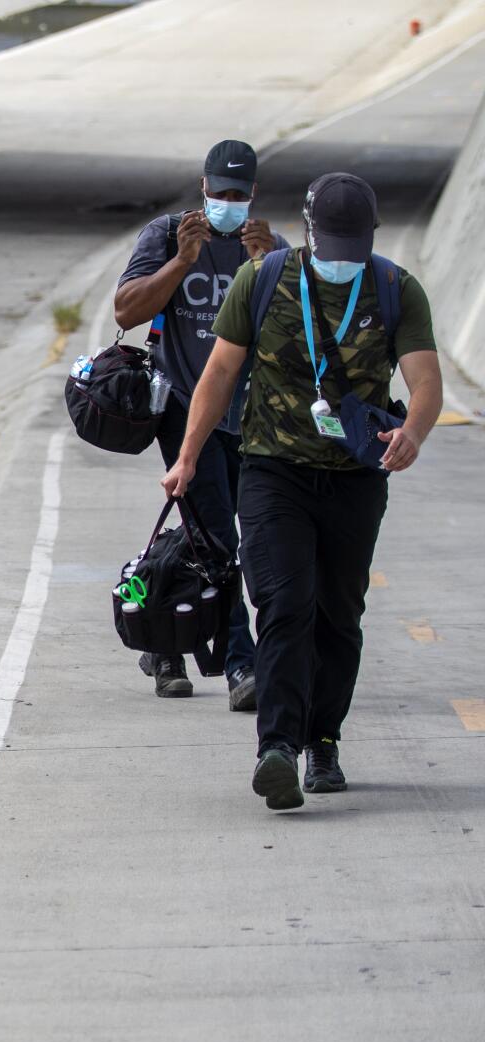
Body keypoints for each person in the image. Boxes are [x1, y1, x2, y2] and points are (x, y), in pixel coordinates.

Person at [162, 172, 442, 810]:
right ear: (309, 233)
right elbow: (221, 372)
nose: (341, 259)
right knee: (285, 605)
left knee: (338, 617)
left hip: (356, 480)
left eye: (353, 247)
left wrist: (415, 434)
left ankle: (323, 739)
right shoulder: (261, 281)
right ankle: (277, 748)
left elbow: (425, 380)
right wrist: (187, 456)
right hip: (272, 471)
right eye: (331, 245)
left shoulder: (397, 289)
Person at [115, 139, 286, 708]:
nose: (229, 203)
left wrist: (265, 268)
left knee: (222, 537)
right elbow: (126, 310)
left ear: (253, 193)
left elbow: (296, 336)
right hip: (186, 411)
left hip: (252, 420)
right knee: (218, 535)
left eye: (240, 194)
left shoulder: (269, 247)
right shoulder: (168, 235)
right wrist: (182, 263)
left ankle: (162, 637)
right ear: (203, 187)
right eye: (221, 192)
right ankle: (241, 663)